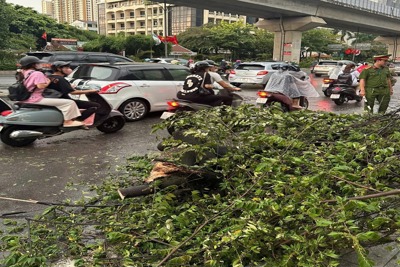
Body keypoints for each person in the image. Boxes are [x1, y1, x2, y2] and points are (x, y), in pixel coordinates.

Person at [18, 56, 83, 127]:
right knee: (69, 103)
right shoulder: (37, 73)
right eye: (37, 63)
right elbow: (40, 86)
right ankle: (68, 122)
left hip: (25, 97)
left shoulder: (24, 72)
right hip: (36, 98)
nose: (40, 65)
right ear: (33, 65)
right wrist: (48, 82)